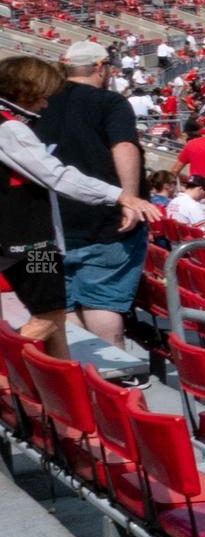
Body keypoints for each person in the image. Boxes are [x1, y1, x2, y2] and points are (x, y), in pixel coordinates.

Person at [0, 56, 160, 359]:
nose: (46, 105)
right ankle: (11, 367)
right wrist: (121, 196)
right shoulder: (10, 129)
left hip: (28, 240)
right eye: (43, 96)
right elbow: (58, 176)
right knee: (47, 318)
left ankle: (61, 379)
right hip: (32, 244)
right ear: (25, 92)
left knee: (54, 312)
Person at [33, 41, 145, 350]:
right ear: (100, 68)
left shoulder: (37, 102)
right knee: (102, 302)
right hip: (103, 220)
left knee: (63, 304)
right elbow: (124, 146)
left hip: (47, 222)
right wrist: (130, 199)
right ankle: (117, 378)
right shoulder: (110, 102)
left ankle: (80, 374)